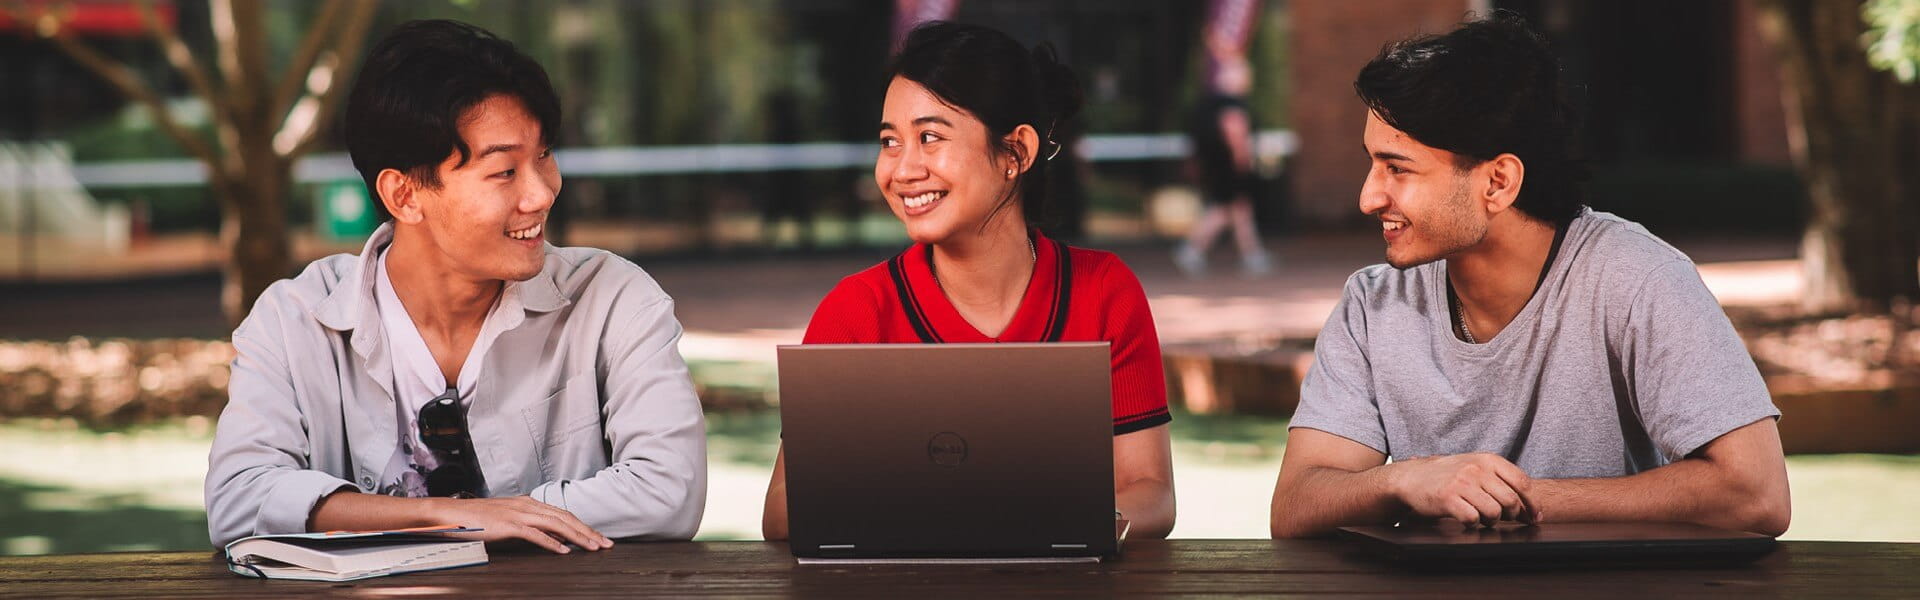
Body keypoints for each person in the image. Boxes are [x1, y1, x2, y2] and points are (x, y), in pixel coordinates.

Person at [1268, 14, 1790, 538]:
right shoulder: (1370, 305)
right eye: (1372, 164)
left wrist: (1503, 496)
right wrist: (1406, 481)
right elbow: (1294, 508)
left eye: (1397, 168)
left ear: (1498, 182)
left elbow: (1758, 492)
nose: (1368, 197)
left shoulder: (1640, 279)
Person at [204, 20, 707, 553]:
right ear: (404, 195)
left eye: (543, 155)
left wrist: (486, 517)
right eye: (504, 172)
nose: (541, 194)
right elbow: (238, 500)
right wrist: (448, 517)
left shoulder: (613, 298)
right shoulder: (293, 319)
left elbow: (670, 490)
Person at [761, 21, 1177, 540]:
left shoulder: (1105, 292)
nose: (902, 169)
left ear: (1017, 152)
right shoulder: (857, 310)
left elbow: (1152, 492)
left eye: (929, 137)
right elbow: (781, 511)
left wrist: (1044, 527)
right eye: (890, 141)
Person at [1174, 53, 1271, 277]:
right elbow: (1234, 131)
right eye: (1243, 73)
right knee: (1224, 209)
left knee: (1239, 210)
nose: (1247, 78)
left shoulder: (1209, 103)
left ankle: (1252, 255)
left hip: (1216, 165)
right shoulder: (1233, 103)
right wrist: (1243, 161)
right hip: (1230, 167)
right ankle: (1191, 249)